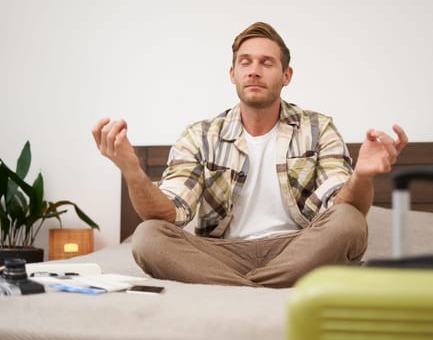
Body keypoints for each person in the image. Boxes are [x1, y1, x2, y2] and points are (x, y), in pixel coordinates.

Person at [92, 22, 408, 288]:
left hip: (297, 247)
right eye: (245, 62)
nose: (254, 71)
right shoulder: (200, 135)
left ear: (287, 75)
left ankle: (235, 288)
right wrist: (132, 171)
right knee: (147, 235)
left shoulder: (318, 128)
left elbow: (340, 207)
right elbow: (170, 213)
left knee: (349, 221)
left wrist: (362, 176)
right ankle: (267, 287)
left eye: (266, 63)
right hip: (220, 252)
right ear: (233, 73)